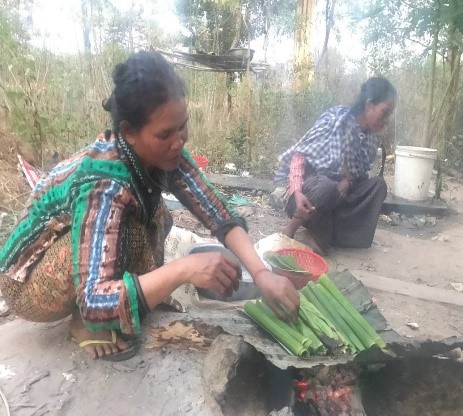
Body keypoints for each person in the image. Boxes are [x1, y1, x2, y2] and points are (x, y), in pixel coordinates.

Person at [0, 51, 299, 361]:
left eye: (183, 126)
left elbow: (217, 212)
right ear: (128, 132)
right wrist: (183, 270)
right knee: (131, 227)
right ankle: (83, 325)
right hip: (26, 281)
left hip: (71, 261)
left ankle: (141, 296)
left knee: (156, 214)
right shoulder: (104, 185)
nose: (178, 142)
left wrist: (262, 274)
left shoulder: (164, 154)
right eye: (165, 134)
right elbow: (93, 299)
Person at [275, 77, 397, 252]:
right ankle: (292, 227)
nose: (386, 120)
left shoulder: (370, 140)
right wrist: (296, 192)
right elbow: (299, 155)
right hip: (309, 197)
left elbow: (359, 175)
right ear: (369, 105)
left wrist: (348, 182)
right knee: (328, 187)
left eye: (389, 115)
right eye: (384, 112)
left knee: (378, 186)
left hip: (338, 198)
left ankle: (336, 235)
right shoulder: (335, 120)